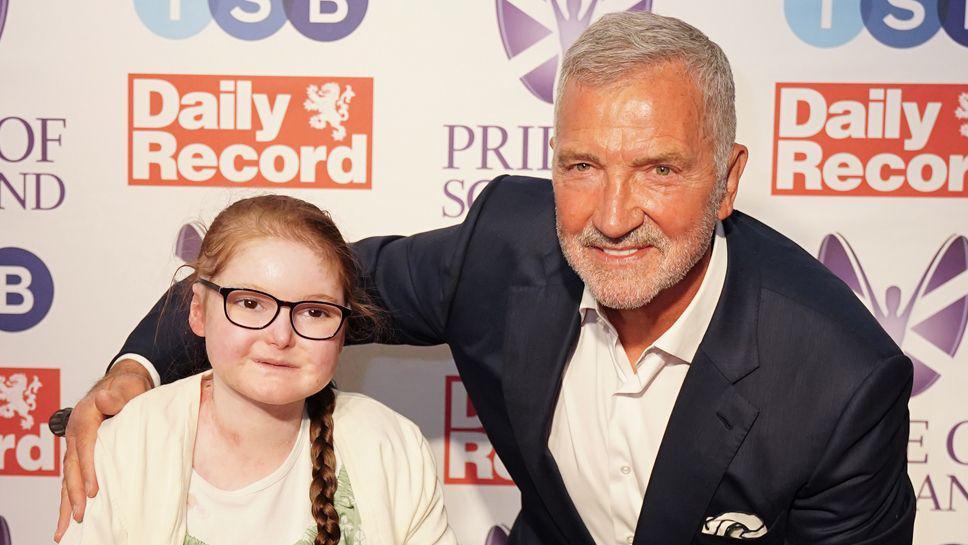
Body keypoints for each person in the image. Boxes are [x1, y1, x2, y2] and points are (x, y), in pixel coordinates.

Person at [57, 11, 915, 545]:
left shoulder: (839, 381)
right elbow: (291, 289)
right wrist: (135, 373)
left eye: (658, 169)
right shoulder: (504, 249)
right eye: (581, 165)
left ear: (727, 182)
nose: (611, 216)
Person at [58, 195, 456, 545]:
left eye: (315, 312)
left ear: (345, 325)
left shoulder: (394, 447)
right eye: (250, 304)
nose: (281, 336)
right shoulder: (126, 445)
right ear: (197, 310)